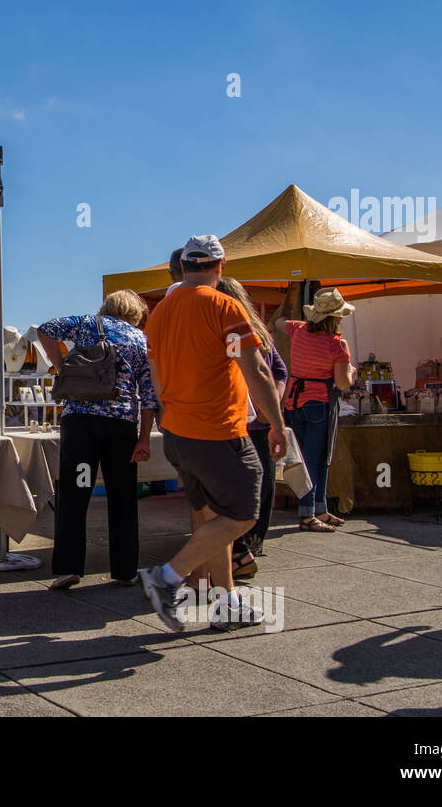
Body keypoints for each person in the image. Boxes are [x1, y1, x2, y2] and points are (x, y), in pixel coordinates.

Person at [138, 235, 286, 633]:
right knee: (243, 515)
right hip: (219, 429)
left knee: (213, 518)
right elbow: (256, 370)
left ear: (183, 267)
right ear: (220, 267)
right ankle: (165, 577)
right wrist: (275, 422)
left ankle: (227, 602)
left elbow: (154, 374)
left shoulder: (160, 311)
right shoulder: (225, 305)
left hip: (179, 432)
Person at [36, 290, 157, 591]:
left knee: (75, 492)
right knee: (122, 496)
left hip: (80, 422)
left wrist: (61, 366)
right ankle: (125, 569)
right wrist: (144, 439)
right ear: (134, 312)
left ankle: (68, 567)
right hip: (121, 425)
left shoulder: (86, 323)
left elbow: (45, 329)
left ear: (107, 306)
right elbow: (149, 395)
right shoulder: (140, 339)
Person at [215, 277, 287, 571]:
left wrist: (263, 405)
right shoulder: (259, 332)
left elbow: (265, 372)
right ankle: (250, 545)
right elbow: (279, 371)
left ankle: (240, 551)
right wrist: (271, 406)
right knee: (261, 483)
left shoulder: (230, 332)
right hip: (258, 421)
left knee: (235, 488)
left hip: (236, 420)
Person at [275, 288, 357, 533]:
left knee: (309, 458)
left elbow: (278, 321)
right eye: (339, 315)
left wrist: (289, 305)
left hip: (294, 402)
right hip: (319, 403)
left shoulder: (297, 330)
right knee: (316, 460)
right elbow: (342, 384)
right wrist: (351, 371)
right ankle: (308, 514)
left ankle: (319, 509)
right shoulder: (337, 345)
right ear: (333, 318)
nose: (342, 319)